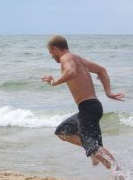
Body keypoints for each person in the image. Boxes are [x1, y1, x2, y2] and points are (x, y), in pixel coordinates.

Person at [42, 35, 124, 171]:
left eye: (51, 53)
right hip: (92, 106)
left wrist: (54, 82)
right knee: (63, 131)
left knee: (93, 146)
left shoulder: (65, 58)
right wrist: (108, 92)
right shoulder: (78, 59)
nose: (52, 56)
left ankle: (119, 174)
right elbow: (102, 70)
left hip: (88, 108)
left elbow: (71, 72)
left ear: (55, 49)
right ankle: (92, 150)